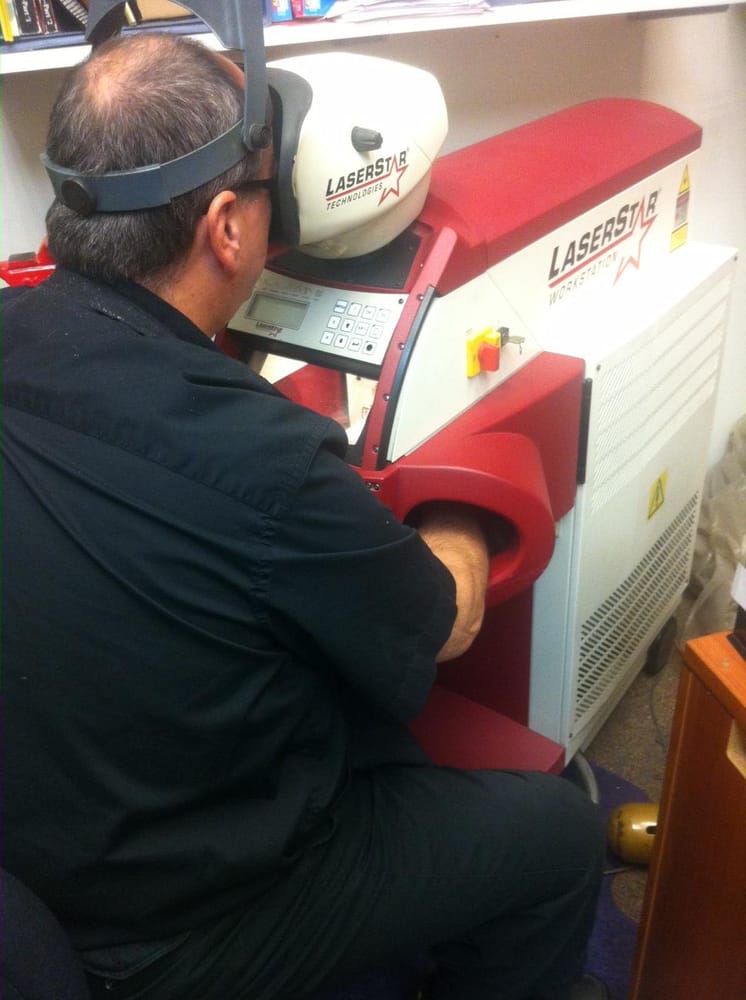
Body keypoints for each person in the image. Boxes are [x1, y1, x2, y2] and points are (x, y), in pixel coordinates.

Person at [1, 31, 607, 1000]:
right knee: (561, 835)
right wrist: (458, 522)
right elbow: (438, 623)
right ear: (228, 229)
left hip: (33, 844)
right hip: (166, 931)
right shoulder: (263, 460)